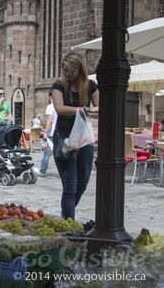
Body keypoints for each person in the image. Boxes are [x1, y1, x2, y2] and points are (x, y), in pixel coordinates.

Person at [52, 52, 99, 220]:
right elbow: (60, 108)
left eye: (70, 70)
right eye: (64, 70)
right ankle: (69, 226)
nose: (67, 74)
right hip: (64, 137)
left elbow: (100, 109)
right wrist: (84, 110)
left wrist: (91, 111)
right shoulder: (59, 86)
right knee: (70, 185)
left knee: (82, 183)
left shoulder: (90, 86)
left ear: (80, 70)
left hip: (83, 138)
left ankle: (64, 218)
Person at [33, 91, 58, 177]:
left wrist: (45, 132)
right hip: (59, 132)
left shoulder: (50, 107)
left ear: (50, 97)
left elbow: (50, 121)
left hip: (51, 133)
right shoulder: (60, 106)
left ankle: (42, 171)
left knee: (47, 153)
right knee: (59, 152)